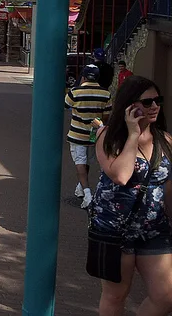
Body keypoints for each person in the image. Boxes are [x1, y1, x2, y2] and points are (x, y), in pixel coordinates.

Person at [90, 75, 172, 314]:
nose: (155, 106)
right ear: (129, 105)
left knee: (165, 296)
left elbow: (168, 186)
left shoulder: (166, 140)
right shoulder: (109, 137)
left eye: (158, 100)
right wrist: (133, 135)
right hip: (115, 231)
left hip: (154, 230)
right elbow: (122, 175)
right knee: (116, 296)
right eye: (147, 102)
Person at [66, 64, 112, 209]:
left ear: (83, 77)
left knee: (80, 162)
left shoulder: (75, 92)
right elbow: (107, 115)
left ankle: (87, 194)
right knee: (87, 163)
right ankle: (81, 187)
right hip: (94, 135)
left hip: (77, 134)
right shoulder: (106, 94)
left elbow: (66, 104)